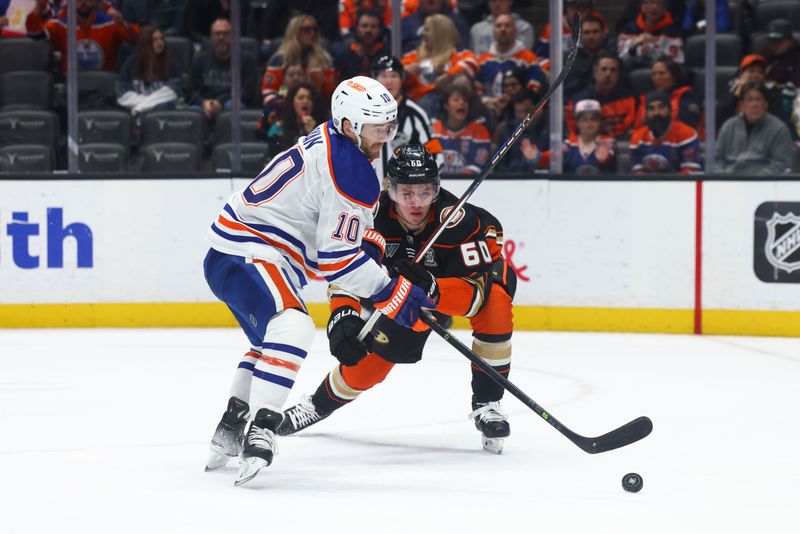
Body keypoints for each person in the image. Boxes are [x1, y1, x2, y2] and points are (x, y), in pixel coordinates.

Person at [203, 76, 434, 486]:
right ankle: (263, 428)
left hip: (236, 253)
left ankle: (232, 423)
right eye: (377, 128)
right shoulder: (350, 168)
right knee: (293, 325)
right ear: (349, 125)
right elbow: (337, 260)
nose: (386, 136)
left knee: (270, 344)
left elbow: (342, 230)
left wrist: (375, 248)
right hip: (248, 252)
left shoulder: (335, 144)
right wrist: (391, 291)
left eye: (389, 125)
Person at [277, 144, 517, 454]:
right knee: (370, 366)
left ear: (437, 189)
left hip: (453, 293)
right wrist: (344, 314)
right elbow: (349, 273)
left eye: (425, 192)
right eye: (407, 193)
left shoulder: (464, 225)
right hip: (401, 300)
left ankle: (488, 404)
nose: (416, 203)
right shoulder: (368, 217)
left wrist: (433, 288)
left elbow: (477, 295)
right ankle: (318, 405)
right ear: (390, 190)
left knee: (495, 304)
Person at [371, 55, 442, 179]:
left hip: (405, 193)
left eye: (394, 76)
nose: (389, 81)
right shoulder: (364, 114)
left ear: (402, 79)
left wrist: (411, 180)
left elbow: (436, 157)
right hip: (368, 193)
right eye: (383, 76)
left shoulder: (415, 114)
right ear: (375, 80)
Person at [26, 0, 139, 73]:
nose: (83, 2)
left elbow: (138, 39)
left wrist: (124, 24)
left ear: (96, 2)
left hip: (104, 88)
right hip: (72, 90)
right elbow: (36, 36)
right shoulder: (60, 25)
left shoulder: (111, 24)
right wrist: (37, 10)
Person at [401, 13, 479, 116]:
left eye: (427, 30)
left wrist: (448, 76)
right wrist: (406, 72)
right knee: (427, 100)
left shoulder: (458, 55)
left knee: (462, 81)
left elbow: (471, 63)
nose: (422, 34)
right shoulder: (414, 57)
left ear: (439, 33)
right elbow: (398, 72)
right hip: (420, 103)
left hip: (448, 103)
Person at [715, 81, 794, 175]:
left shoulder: (779, 129)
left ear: (765, 105)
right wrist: (723, 179)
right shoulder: (728, 127)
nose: (754, 104)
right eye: (750, 100)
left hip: (764, 183)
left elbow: (781, 163)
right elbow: (717, 160)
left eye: (758, 99)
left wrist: (757, 180)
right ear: (741, 106)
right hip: (730, 182)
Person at [188, 18, 257, 121]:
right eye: (217, 33)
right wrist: (204, 102)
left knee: (232, 106)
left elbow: (247, 91)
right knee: (192, 112)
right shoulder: (200, 60)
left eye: (225, 33)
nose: (221, 37)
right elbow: (191, 89)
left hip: (230, 103)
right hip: (206, 104)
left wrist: (220, 101)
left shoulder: (246, 59)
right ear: (211, 37)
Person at [475, 13, 547, 106]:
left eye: (507, 25)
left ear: (515, 31)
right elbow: (477, 89)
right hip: (488, 111)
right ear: (493, 31)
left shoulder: (529, 59)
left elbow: (533, 90)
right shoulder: (483, 61)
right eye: (499, 26)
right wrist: (487, 102)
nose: (503, 29)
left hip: (518, 112)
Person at [261, 14, 337, 102]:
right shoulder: (280, 59)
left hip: (317, 106)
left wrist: (323, 82)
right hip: (284, 106)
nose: (312, 33)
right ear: (295, 32)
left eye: (315, 29)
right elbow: (269, 91)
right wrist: (281, 104)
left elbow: (332, 93)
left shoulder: (324, 59)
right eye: (307, 29)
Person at [117, 26, 183, 117]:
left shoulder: (172, 64)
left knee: (164, 106)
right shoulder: (131, 63)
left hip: (161, 112)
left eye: (161, 39)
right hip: (135, 109)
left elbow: (172, 93)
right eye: (154, 40)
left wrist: (139, 109)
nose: (160, 43)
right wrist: (145, 105)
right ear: (145, 43)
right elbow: (122, 94)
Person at [566, 52, 636, 140]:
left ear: (618, 75)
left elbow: (631, 128)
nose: (608, 74)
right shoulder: (579, 101)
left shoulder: (628, 99)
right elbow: (572, 132)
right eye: (604, 69)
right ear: (595, 73)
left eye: (613, 70)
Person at [629, 89, 701, 174]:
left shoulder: (686, 134)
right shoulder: (638, 137)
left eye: (661, 107)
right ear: (646, 113)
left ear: (670, 109)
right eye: (651, 109)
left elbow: (690, 173)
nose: (656, 113)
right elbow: (637, 174)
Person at [433, 83, 492, 174]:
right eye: (456, 100)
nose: (462, 103)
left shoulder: (479, 130)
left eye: (465, 100)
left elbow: (476, 166)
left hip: (466, 184)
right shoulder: (433, 129)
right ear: (446, 105)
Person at [633, 55, 701, 132]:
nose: (657, 77)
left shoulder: (685, 95)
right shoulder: (645, 98)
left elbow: (688, 125)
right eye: (654, 74)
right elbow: (638, 127)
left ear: (673, 76)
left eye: (662, 73)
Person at [563, 14, 617, 99]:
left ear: (603, 33)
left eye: (595, 32)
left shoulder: (613, 59)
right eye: (587, 32)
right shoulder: (569, 59)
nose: (591, 36)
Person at [617, 0, 683, 69]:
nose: (655, 6)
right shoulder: (629, 29)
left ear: (665, 9)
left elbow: (675, 62)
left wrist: (655, 43)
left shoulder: (673, 30)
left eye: (658, 3)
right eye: (651, 2)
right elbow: (621, 60)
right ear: (643, 7)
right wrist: (634, 45)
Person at [264, 82, 327, 153]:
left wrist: (313, 134)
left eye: (309, 98)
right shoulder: (278, 128)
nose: (306, 101)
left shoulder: (322, 128)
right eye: (301, 98)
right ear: (292, 102)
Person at [334, 8, 387, 80]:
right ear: (356, 29)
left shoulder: (386, 56)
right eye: (364, 26)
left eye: (373, 26)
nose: (369, 30)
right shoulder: (343, 56)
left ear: (380, 30)